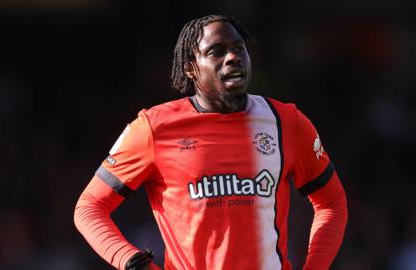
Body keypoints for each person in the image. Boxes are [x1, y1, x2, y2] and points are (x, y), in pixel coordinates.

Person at [74, 14, 348, 270]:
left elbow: (331, 201)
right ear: (190, 68)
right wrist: (133, 262)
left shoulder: (286, 122)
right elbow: (89, 208)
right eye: (216, 51)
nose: (233, 57)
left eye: (239, 48)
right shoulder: (154, 128)